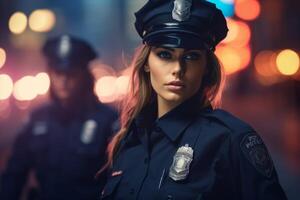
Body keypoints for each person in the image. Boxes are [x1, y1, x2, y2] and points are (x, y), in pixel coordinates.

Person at [100, 0, 287, 199]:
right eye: (165, 55)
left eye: (191, 57)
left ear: (206, 67)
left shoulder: (230, 139)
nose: (178, 69)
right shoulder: (128, 138)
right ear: (146, 63)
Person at [0, 35, 118, 200]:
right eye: (58, 73)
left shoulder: (108, 121)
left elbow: (120, 181)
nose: (63, 80)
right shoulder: (37, 120)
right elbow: (14, 174)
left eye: (71, 74)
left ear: (84, 76)